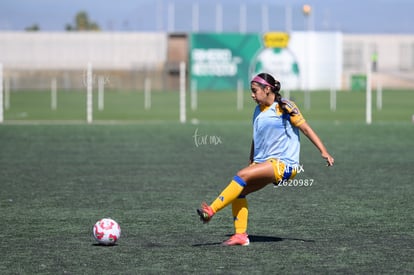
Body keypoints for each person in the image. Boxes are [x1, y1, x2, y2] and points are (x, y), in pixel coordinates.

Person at [196, 72, 334, 246]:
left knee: (240, 176)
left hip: (285, 165)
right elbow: (256, 138)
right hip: (265, 163)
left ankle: (211, 210)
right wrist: (252, 161)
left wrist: (323, 151)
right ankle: (240, 235)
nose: (252, 95)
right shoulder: (257, 110)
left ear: (267, 89)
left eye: (255, 91)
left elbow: (306, 129)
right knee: (240, 192)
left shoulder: (285, 106)